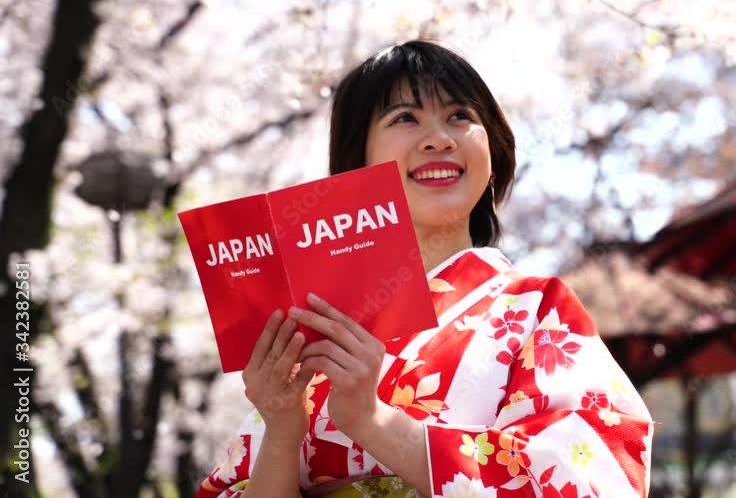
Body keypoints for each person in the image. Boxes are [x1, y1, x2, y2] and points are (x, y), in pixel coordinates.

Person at [196, 41, 653, 497]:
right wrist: (281, 428)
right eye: (405, 118)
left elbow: (592, 475)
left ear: (493, 155)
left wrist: (372, 421)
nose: (440, 139)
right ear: (358, 160)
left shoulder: (538, 309)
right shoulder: (314, 329)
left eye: (460, 116)